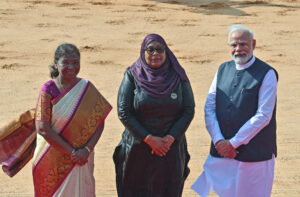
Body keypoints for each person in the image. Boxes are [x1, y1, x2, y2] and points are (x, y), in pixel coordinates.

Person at [0, 43, 112, 197]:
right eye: (66, 62)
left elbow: (100, 119)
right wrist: (73, 153)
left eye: (75, 62)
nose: (71, 67)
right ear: (56, 64)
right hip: (50, 158)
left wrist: (86, 150)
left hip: (82, 158)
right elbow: (43, 128)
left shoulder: (86, 87)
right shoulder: (48, 90)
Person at [191, 25, 278, 197]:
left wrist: (233, 143)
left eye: (243, 44)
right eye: (233, 45)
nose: (238, 49)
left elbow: (263, 115)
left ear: (253, 44)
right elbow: (209, 107)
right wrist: (219, 141)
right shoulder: (223, 69)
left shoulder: (267, 73)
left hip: (255, 155)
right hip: (223, 153)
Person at [113, 34, 195, 197]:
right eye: (150, 49)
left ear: (166, 52)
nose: (155, 54)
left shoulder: (178, 76)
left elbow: (188, 109)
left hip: (169, 149)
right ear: (143, 52)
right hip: (138, 149)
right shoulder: (132, 75)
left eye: (159, 49)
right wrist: (149, 139)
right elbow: (124, 111)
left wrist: (170, 138)